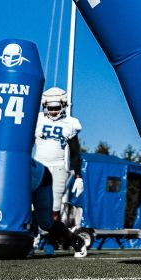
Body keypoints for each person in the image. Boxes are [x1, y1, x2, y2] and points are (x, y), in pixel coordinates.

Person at [33, 87, 85, 254]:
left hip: (58, 169)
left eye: (57, 107)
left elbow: (76, 152)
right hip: (38, 166)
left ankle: (61, 241)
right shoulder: (36, 119)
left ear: (63, 105)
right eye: (51, 107)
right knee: (30, 210)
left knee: (53, 214)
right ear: (44, 106)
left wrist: (78, 176)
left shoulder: (70, 123)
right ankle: (29, 242)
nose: (54, 111)